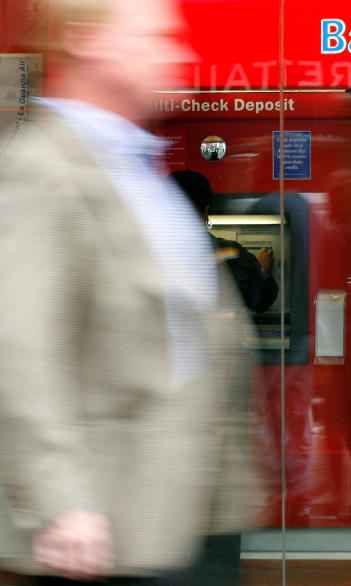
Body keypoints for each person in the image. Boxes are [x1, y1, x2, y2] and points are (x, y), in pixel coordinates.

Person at [0, 0, 256, 583]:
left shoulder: (136, 168)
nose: (181, 55)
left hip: (181, 514)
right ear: (90, 41)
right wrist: (59, 501)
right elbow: (20, 347)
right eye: (158, 38)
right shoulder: (42, 168)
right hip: (101, 528)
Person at [170, 169, 280, 313]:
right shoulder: (233, 255)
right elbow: (260, 301)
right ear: (206, 211)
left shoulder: (150, 254)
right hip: (217, 334)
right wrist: (262, 270)